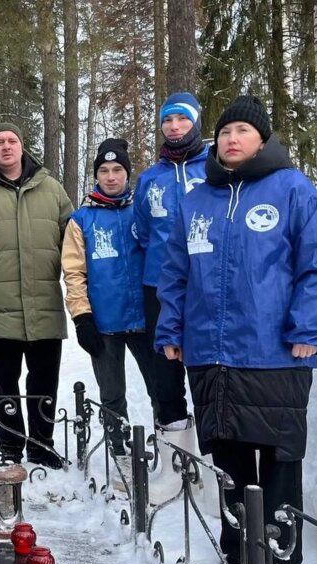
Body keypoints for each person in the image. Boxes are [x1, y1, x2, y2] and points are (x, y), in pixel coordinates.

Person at [156, 95, 317, 564]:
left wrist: (309, 328)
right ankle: (238, 547)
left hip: (275, 350)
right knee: (231, 458)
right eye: (225, 131)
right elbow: (175, 273)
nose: (232, 139)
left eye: (242, 130)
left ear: (261, 139)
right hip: (209, 352)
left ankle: (276, 552)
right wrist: (171, 329)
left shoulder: (292, 189)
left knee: (278, 457)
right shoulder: (196, 199)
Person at [0, 123, 73, 468]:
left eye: (12, 140)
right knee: (4, 383)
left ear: (22, 148)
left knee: (44, 381)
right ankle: (10, 447)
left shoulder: (52, 190)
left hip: (43, 303)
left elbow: (72, 242)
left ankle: (42, 445)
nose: (6, 146)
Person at [61, 138, 163, 491]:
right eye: (103, 171)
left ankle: (167, 453)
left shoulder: (143, 211)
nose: (110, 176)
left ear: (127, 173)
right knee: (112, 393)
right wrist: (81, 317)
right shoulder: (81, 220)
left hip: (146, 320)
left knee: (161, 390)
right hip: (104, 322)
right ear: (96, 176)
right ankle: (121, 453)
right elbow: (74, 273)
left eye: (117, 169)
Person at [133, 92, 209, 504]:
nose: (174, 127)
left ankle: (210, 471)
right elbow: (144, 232)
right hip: (159, 287)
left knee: (206, 371)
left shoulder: (214, 168)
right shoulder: (150, 179)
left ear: (195, 123)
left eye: (182, 119)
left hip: (205, 285)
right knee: (165, 374)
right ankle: (172, 467)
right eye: (168, 121)